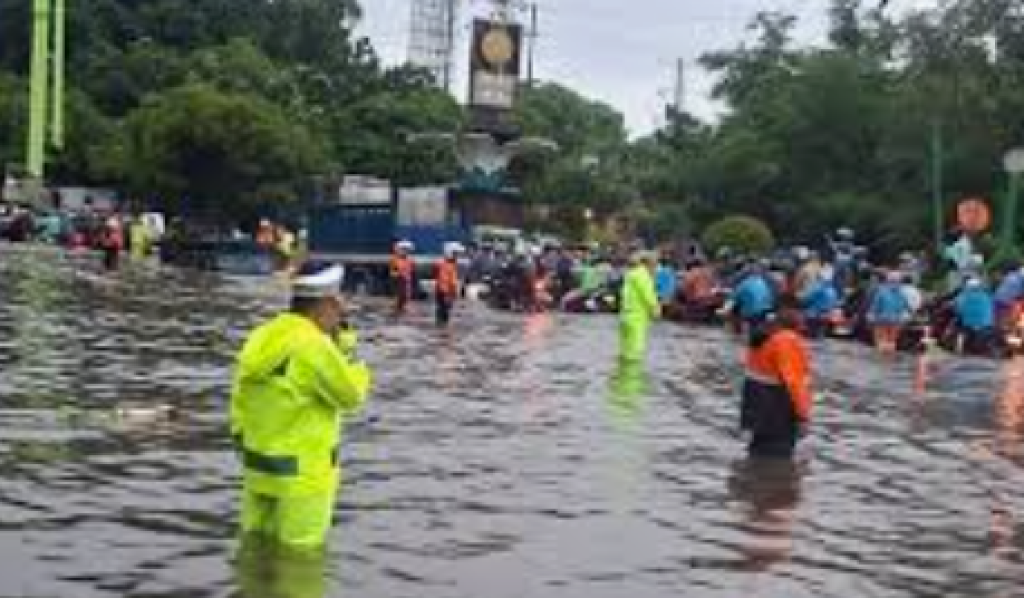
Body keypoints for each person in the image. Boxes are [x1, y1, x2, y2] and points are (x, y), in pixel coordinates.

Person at [230, 262, 372, 551]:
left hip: (259, 469)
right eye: (339, 302)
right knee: (300, 567)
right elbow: (352, 395)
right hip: (303, 480)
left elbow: (239, 400)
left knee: (255, 555)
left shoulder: (262, 335)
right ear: (326, 303)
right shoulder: (313, 346)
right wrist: (349, 351)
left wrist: (243, 446)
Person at [740, 300, 813, 459]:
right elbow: (795, 383)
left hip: (756, 406)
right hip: (778, 409)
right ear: (796, 319)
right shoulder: (788, 340)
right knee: (777, 459)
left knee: (758, 452)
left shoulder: (763, 336)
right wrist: (803, 416)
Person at [619, 251, 660, 362]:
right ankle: (633, 378)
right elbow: (648, 295)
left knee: (625, 351)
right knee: (635, 353)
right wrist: (656, 309)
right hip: (637, 317)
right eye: (656, 264)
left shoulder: (630, 274)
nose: (656, 268)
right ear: (650, 263)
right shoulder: (643, 276)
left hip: (625, 316)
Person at [867, 270, 913, 355]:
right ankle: (887, 357)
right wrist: (906, 316)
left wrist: (871, 315)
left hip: (882, 320)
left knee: (882, 339)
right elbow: (907, 308)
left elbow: (875, 305)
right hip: (895, 321)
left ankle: (882, 357)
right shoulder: (901, 294)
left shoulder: (882, 292)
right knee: (891, 340)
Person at [955, 277, 997, 355]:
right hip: (986, 325)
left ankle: (959, 350)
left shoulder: (963, 297)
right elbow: (992, 309)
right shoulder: (987, 296)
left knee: (960, 330)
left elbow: (958, 310)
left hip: (969, 325)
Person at [730, 263, 776, 330]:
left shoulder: (745, 283)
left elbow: (734, 296)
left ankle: (738, 330)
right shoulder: (765, 283)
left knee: (736, 309)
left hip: (751, 312)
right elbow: (771, 297)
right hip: (766, 310)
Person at [801, 272, 840, 338]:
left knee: (811, 333)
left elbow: (807, 299)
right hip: (827, 314)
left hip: (815, 314)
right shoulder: (833, 290)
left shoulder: (819, 288)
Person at [434, 243, 462, 326]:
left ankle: (442, 326)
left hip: (447, 292)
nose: (457, 256)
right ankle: (441, 327)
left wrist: (454, 292)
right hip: (444, 292)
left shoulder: (451, 264)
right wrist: (447, 294)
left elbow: (453, 280)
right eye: (455, 254)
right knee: (443, 312)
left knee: (445, 312)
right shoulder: (445, 265)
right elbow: (444, 281)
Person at [389, 241, 415, 315]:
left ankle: (401, 308)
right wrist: (398, 275)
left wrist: (410, 278)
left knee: (405, 295)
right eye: (404, 250)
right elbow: (393, 271)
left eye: (407, 250)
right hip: (398, 280)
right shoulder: (395, 259)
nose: (405, 252)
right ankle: (396, 309)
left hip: (406, 279)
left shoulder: (409, 260)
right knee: (399, 295)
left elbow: (411, 271)